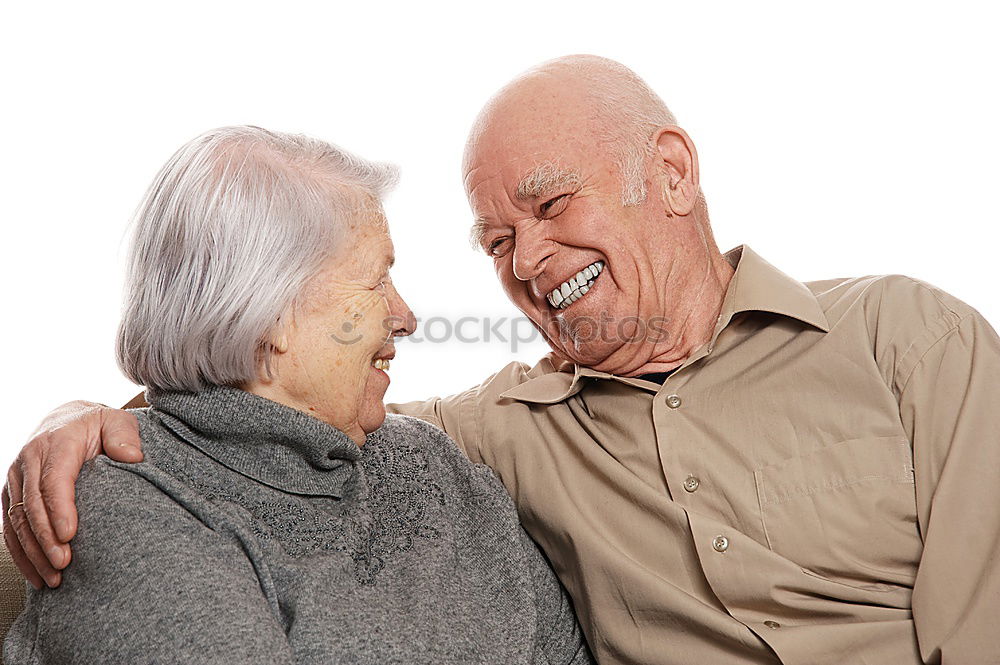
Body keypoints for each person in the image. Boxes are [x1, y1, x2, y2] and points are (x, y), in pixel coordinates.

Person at [7, 55, 1000, 664]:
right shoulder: (495, 432)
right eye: (493, 241)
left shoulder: (906, 339)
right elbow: (267, 406)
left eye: (549, 204)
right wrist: (81, 419)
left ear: (670, 172)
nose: (524, 261)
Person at [1, 126, 593, 664]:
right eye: (375, 279)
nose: (407, 317)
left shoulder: (430, 463)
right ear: (270, 317)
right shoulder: (129, 504)